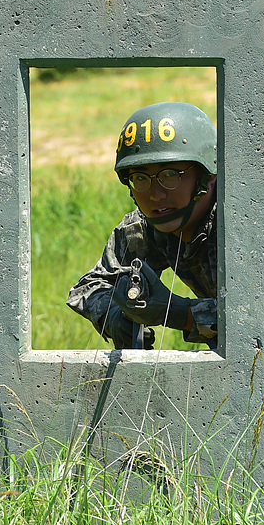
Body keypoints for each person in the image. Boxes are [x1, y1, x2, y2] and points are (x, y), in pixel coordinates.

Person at [67, 102, 218, 350]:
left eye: (170, 175)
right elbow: (89, 287)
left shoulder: (240, 222)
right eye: (140, 178)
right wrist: (114, 317)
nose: (155, 195)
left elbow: (263, 319)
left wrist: (180, 314)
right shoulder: (146, 227)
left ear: (207, 175)